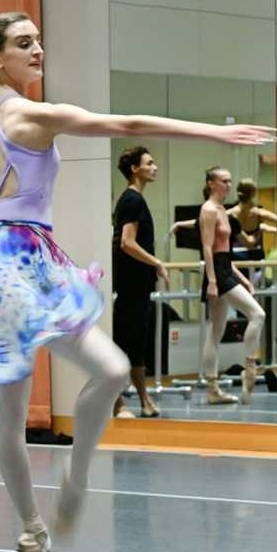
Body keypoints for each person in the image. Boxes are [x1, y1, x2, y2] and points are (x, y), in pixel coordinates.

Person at [0, 12, 276, 552]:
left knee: (12, 420)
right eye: (23, 43)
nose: (38, 49)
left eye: (38, 39)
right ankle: (73, 480)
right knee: (104, 373)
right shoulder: (32, 115)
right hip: (24, 262)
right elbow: (125, 121)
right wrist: (215, 134)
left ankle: (35, 531)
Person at [197, 166, 266, 404]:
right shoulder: (208, 210)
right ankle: (249, 366)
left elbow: (223, 252)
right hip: (217, 272)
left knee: (216, 331)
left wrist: (243, 278)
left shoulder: (223, 210)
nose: (228, 184)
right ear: (211, 184)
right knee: (257, 313)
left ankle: (212, 389)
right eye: (223, 181)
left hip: (225, 268)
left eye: (229, 180)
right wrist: (213, 281)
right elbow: (207, 248)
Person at [111, 146, 167, 419]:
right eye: (150, 162)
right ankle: (120, 402)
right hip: (131, 285)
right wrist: (156, 262)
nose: (155, 167)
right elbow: (127, 242)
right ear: (135, 169)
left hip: (138, 286)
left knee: (134, 344)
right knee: (127, 343)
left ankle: (143, 401)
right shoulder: (132, 200)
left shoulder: (134, 200)